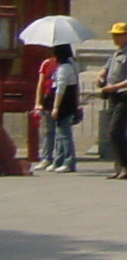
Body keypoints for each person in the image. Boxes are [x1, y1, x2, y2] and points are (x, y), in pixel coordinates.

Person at [97, 23, 127, 179]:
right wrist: (101, 77)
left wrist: (114, 87)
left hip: (125, 95)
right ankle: (119, 166)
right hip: (113, 96)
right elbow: (105, 69)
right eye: (114, 35)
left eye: (118, 35)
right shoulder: (116, 54)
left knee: (116, 130)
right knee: (112, 133)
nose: (115, 38)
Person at [38, 44, 81, 173]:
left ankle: (69, 161)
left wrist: (55, 107)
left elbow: (60, 89)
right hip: (64, 103)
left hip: (64, 104)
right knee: (59, 134)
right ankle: (59, 160)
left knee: (64, 134)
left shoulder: (65, 68)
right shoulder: (69, 66)